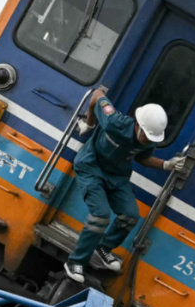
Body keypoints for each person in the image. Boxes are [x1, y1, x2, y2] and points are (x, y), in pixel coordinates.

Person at [63, 86, 171, 284]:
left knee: (130, 215)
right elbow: (97, 95)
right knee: (100, 216)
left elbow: (143, 158)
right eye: (146, 136)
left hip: (117, 177)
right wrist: (89, 123)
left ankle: (104, 248)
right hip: (91, 168)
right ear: (137, 125)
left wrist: (166, 165)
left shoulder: (149, 137)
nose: (148, 141)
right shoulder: (115, 121)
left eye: (152, 138)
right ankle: (75, 262)